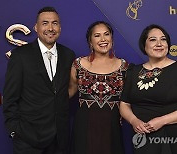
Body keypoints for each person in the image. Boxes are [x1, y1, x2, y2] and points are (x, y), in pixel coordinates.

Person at [3, 6, 75, 154]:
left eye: (55, 23)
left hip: (59, 140)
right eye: (45, 23)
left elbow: (64, 90)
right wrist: (15, 131)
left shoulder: (68, 55)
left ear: (60, 27)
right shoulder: (20, 56)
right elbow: (10, 98)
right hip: (28, 141)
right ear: (36, 27)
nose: (50, 28)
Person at [69, 21, 128, 154]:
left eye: (106, 34)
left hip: (112, 128)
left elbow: (129, 100)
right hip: (84, 127)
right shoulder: (78, 65)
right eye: (97, 36)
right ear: (90, 41)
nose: (103, 39)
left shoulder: (124, 67)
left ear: (112, 38)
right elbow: (69, 92)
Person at [120, 24, 177, 154]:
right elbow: (124, 104)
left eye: (163, 39)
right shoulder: (134, 71)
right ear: (144, 45)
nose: (159, 43)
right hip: (143, 138)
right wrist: (134, 121)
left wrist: (162, 121)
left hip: (171, 137)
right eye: (153, 39)